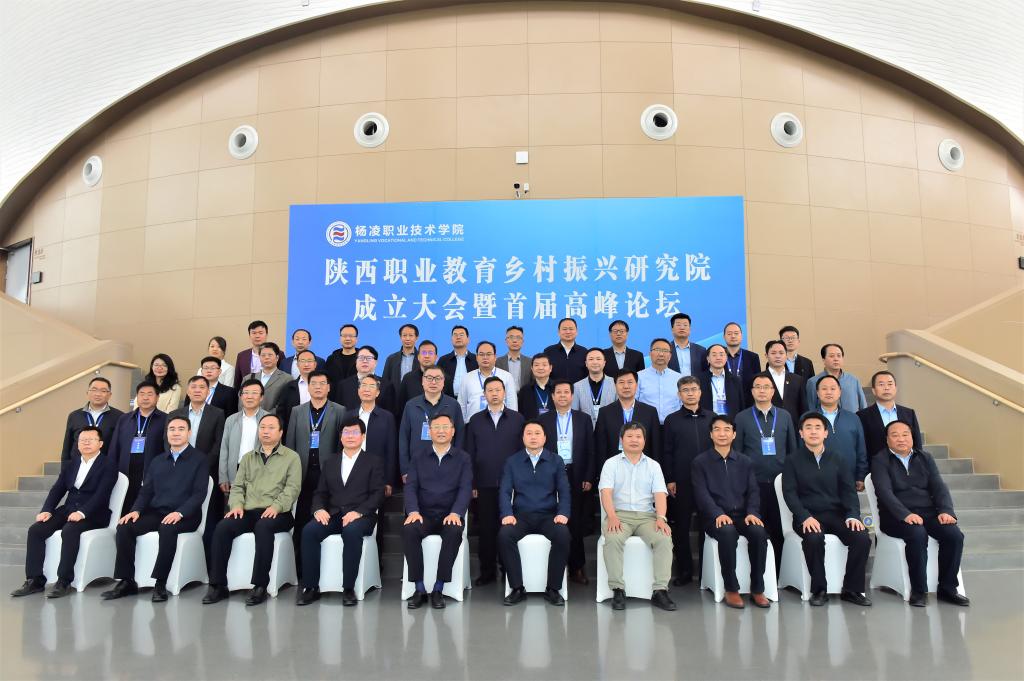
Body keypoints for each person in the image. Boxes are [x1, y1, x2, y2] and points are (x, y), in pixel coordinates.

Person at [102, 416, 209, 602]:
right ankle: (126, 581)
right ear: (167, 433)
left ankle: (160, 583)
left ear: (189, 433)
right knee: (125, 527)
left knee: (167, 528)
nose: (176, 433)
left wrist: (180, 513)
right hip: (158, 512)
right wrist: (135, 510)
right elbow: (146, 491)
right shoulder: (158, 460)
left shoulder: (199, 459)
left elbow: (199, 494)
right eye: (172, 429)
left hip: (186, 515)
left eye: (181, 429)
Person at [203, 414, 301, 606]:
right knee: (223, 527)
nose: (265, 431)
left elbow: (293, 488)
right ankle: (218, 584)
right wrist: (236, 505)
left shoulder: (291, 457)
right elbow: (238, 486)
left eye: (271, 428)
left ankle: (259, 585)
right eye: (262, 427)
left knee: (263, 527)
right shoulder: (248, 457)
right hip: (248, 511)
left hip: (279, 513)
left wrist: (276, 506)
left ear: (281, 432)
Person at [870, 420, 969, 607]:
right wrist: (905, 514)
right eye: (895, 435)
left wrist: (946, 511)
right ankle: (919, 590)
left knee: (954, 535)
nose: (901, 439)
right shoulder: (880, 460)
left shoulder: (925, 458)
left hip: (927, 513)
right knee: (917, 533)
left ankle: (947, 589)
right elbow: (884, 492)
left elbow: (939, 486)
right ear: (887, 439)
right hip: (895, 517)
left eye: (905, 434)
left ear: (912, 436)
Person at [12, 426, 116, 599]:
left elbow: (102, 495)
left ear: (100, 443)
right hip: (68, 509)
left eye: (91, 439)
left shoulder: (108, 465)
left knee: (69, 530)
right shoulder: (72, 463)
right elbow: (58, 489)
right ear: (78, 444)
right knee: (36, 530)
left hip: (94, 513)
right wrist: (47, 510)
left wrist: (82, 513)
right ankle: (35, 580)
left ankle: (64, 581)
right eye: (82, 440)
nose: (86, 443)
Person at [782, 413, 871, 607]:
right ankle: (819, 590)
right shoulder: (792, 460)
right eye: (808, 427)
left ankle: (852, 589)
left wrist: (853, 515)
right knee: (814, 538)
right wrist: (804, 516)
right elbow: (789, 494)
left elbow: (849, 492)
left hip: (836, 515)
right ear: (801, 433)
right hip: (808, 516)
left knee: (862, 537)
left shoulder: (838, 458)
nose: (813, 431)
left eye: (818, 427)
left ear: (825, 433)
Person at [297, 418, 385, 606]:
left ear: (363, 436)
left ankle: (348, 588)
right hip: (334, 514)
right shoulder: (331, 461)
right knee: (309, 531)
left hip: (362, 516)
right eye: (346, 432)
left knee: (351, 531)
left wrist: (359, 512)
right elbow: (320, 492)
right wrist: (318, 509)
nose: (350, 436)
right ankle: (310, 587)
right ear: (340, 436)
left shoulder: (373, 461)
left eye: (355, 432)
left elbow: (378, 494)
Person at [692, 415, 771, 609]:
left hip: (743, 515)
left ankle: (757, 588)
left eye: (727, 429)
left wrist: (752, 512)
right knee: (727, 533)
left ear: (734, 434)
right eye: (717, 429)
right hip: (715, 517)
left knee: (759, 533)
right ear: (711, 434)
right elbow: (701, 494)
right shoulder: (700, 462)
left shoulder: (745, 461)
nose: (722, 433)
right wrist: (717, 513)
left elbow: (753, 491)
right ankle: (731, 588)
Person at [598, 422, 676, 611]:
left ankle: (660, 590)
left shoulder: (653, 466)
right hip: (619, 515)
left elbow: (660, 494)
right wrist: (612, 516)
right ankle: (618, 589)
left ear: (644, 440)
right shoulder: (611, 464)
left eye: (638, 436)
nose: (634, 440)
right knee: (613, 538)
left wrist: (661, 518)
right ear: (621, 440)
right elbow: (605, 492)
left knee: (664, 538)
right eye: (630, 436)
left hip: (647, 517)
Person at [403, 413, 473, 610]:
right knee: (409, 530)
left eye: (445, 427)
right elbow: (410, 487)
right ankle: (418, 588)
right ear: (430, 431)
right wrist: (413, 511)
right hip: (423, 515)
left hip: (449, 515)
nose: (441, 431)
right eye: (436, 427)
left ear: (453, 431)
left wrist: (456, 513)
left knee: (454, 531)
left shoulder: (463, 458)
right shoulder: (418, 457)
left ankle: (438, 588)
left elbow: (465, 488)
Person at [498, 421, 572, 606]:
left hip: (548, 516)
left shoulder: (556, 460)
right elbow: (505, 491)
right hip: (521, 517)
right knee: (505, 535)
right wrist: (507, 513)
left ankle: (553, 589)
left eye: (537, 433)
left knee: (563, 534)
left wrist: (563, 513)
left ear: (545, 438)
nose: (533, 437)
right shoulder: (512, 461)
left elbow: (564, 491)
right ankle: (517, 588)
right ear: (523, 438)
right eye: (529, 433)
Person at [464, 376, 525, 586]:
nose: (494, 393)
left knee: (508, 529)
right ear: (484, 394)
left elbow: (522, 453)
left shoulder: (517, 419)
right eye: (490, 390)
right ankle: (487, 572)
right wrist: (472, 483)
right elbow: (469, 453)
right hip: (484, 483)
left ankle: (508, 571)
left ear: (505, 392)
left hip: (512, 485)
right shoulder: (475, 420)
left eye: (498, 390)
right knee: (486, 530)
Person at [284, 370, 345, 571]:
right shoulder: (297, 411)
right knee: (302, 518)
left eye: (322, 383)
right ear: (308, 387)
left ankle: (323, 566)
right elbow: (290, 444)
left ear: (329, 387)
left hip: (327, 475)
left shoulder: (339, 410)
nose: (318, 387)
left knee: (324, 517)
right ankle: (299, 566)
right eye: (314, 383)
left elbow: (341, 446)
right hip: (302, 473)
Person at [733, 373, 798, 562]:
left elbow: (792, 450)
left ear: (773, 391)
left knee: (779, 529)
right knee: (757, 529)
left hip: (780, 484)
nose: (762, 390)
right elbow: (737, 452)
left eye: (766, 387)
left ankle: (779, 570)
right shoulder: (742, 417)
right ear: (752, 391)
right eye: (758, 387)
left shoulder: (785, 416)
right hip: (753, 484)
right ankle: (760, 570)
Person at [539, 380, 595, 584]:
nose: (562, 396)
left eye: (566, 392)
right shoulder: (543, 420)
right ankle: (554, 567)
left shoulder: (583, 418)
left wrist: (589, 476)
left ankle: (577, 567)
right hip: (551, 475)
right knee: (555, 520)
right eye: (558, 392)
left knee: (575, 523)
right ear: (552, 396)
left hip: (576, 474)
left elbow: (590, 449)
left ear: (572, 396)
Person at [661, 375, 714, 585]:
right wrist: (670, 479)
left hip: (708, 482)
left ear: (700, 392)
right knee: (681, 528)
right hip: (681, 481)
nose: (690, 393)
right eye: (685, 390)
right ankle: (685, 571)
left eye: (693, 389)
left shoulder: (712, 418)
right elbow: (667, 452)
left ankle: (706, 572)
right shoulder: (671, 420)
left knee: (706, 526)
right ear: (679, 394)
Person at [168, 376, 226, 561]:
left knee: (208, 514)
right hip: (177, 471)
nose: (197, 390)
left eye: (202, 387)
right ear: (187, 391)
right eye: (193, 387)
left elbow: (218, 443)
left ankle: (205, 559)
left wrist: (202, 465)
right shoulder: (175, 414)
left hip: (206, 469)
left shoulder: (217, 414)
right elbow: (166, 441)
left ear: (208, 392)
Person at [398, 366, 465, 482]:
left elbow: (460, 437)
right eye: (429, 378)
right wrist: (405, 469)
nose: (433, 382)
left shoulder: (453, 405)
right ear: (422, 381)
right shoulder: (411, 405)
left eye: (438, 378)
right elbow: (404, 438)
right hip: (417, 468)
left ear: (443, 382)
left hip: (447, 467)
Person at [108, 381, 167, 512]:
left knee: (144, 510)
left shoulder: (165, 419)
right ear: (137, 397)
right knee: (123, 508)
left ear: (157, 397)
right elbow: (114, 447)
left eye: (150, 394)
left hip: (150, 474)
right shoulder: (124, 419)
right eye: (141, 394)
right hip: (126, 472)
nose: (145, 397)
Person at [810, 375, 869, 490]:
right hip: (817, 482)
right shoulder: (808, 419)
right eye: (824, 388)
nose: (829, 392)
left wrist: (861, 476)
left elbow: (861, 449)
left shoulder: (853, 418)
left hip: (849, 480)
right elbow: (801, 451)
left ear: (840, 392)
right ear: (817, 393)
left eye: (833, 388)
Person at [594, 371, 661, 467]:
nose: (626, 386)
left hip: (643, 467)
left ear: (636, 385)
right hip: (614, 468)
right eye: (621, 382)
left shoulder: (650, 412)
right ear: (615, 386)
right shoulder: (605, 412)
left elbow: (656, 446)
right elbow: (600, 447)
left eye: (630, 382)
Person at [857, 371, 923, 457]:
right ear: (873, 390)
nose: (886, 388)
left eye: (890, 384)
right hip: (875, 463)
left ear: (895, 388)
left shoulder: (909, 413)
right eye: (881, 384)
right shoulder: (862, 416)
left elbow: (917, 442)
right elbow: (861, 447)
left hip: (906, 463)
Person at [219, 380, 268, 493]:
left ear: (261, 397)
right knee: (235, 502)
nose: (249, 396)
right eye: (246, 393)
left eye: (254, 393)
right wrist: (223, 477)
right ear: (241, 396)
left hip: (260, 471)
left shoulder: (269, 419)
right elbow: (224, 449)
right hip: (235, 469)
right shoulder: (231, 420)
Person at [59, 377, 123, 461]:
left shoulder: (120, 416)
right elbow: (67, 446)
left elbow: (121, 446)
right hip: (77, 465)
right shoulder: (74, 416)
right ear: (87, 393)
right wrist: (65, 466)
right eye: (94, 390)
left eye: (103, 391)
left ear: (110, 395)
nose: (98, 394)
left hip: (106, 465)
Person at [354, 375, 398, 496]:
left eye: (371, 386)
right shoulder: (349, 416)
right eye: (363, 385)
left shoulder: (387, 417)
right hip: (352, 474)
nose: (367, 389)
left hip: (377, 476)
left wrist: (389, 480)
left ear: (378, 393)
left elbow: (391, 451)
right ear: (358, 391)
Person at [457, 341, 517, 420]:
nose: (485, 357)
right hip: (473, 424)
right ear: (476, 357)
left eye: (489, 354)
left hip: (501, 423)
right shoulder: (467, 378)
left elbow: (512, 405)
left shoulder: (507, 377)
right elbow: (461, 406)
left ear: (495, 357)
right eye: (481, 354)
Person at [806, 343, 867, 413]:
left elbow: (863, 406)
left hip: (851, 419)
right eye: (831, 356)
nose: (836, 359)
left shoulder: (853, 380)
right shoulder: (813, 382)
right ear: (823, 360)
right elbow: (811, 407)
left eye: (839, 356)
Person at [636, 338, 683, 424]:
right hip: (646, 425)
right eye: (657, 350)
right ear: (650, 354)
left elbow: (682, 403)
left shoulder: (679, 378)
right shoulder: (639, 376)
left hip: (673, 424)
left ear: (670, 356)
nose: (661, 354)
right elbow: (634, 403)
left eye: (665, 351)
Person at [335, 345, 392, 412]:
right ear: (356, 361)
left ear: (376, 362)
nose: (365, 361)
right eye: (361, 358)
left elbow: (390, 414)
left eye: (369, 358)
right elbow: (338, 413)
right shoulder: (343, 385)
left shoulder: (386, 386)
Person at [763, 340, 807, 423]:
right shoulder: (759, 379)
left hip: (793, 425)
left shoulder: (797, 379)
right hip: (767, 424)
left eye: (781, 353)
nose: (777, 356)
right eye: (773, 353)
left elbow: (803, 407)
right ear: (766, 355)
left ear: (786, 355)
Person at [572, 348, 616, 427]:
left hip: (609, 429)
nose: (595, 362)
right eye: (591, 359)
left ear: (604, 363)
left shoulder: (614, 384)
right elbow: (574, 413)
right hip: (585, 430)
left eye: (598, 359)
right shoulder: (577, 386)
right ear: (586, 363)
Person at [275, 349, 318, 432]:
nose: (306, 364)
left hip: (319, 429)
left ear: (315, 364)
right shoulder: (289, 387)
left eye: (309, 361)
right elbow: (281, 412)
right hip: (294, 430)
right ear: (297, 365)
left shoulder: (325, 386)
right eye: (302, 361)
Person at [243, 342, 290, 412]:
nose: (266, 357)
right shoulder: (248, 378)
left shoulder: (287, 379)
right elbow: (242, 402)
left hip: (273, 418)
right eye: (263, 355)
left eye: (270, 355)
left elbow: (285, 404)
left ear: (277, 358)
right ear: (259, 357)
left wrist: (266, 416)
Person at [699, 344, 744, 416]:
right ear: (708, 358)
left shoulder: (735, 380)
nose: (718, 358)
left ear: (726, 358)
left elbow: (741, 405)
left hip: (730, 421)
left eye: (721, 355)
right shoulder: (699, 380)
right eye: (714, 355)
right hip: (707, 420)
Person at [723, 322, 760, 407]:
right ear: (724, 337)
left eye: (736, 333)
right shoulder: (718, 356)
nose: (733, 336)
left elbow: (757, 381)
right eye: (729, 333)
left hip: (747, 402)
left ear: (741, 336)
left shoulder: (753, 357)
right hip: (724, 401)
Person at [542, 318, 589, 385]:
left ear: (576, 331)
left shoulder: (584, 352)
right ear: (558, 332)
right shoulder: (548, 351)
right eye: (564, 329)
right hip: (555, 390)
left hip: (579, 391)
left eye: (571, 329)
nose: (568, 332)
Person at [437, 325, 478, 398]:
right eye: (455, 335)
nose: (458, 337)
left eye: (461, 335)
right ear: (451, 339)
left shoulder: (476, 359)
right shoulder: (443, 360)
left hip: (472, 399)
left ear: (468, 339)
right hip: (448, 399)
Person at [396, 340, 439, 407]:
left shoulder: (444, 379)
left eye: (430, 353)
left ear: (436, 357)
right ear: (418, 357)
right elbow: (401, 406)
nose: (427, 356)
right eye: (424, 353)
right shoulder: (408, 378)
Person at [667, 312, 707, 378]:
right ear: (672, 329)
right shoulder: (665, 349)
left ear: (690, 329)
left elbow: (705, 373)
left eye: (685, 325)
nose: (682, 328)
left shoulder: (701, 350)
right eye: (678, 325)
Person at [381, 323, 420, 390]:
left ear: (416, 338)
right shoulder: (391, 359)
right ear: (400, 337)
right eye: (404, 335)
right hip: (396, 395)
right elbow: (385, 381)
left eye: (411, 335)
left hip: (417, 395)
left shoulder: (422, 358)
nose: (407, 338)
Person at [516, 354, 554, 419]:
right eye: (536, 365)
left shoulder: (557, 387)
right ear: (532, 368)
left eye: (544, 365)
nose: (540, 368)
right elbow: (520, 413)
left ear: (550, 368)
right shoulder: (524, 390)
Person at [495, 325, 531, 393]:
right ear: (506, 341)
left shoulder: (530, 362)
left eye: (518, 337)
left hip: (524, 397)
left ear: (522, 341)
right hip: (504, 397)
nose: (514, 340)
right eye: (511, 337)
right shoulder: (497, 362)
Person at [234, 320, 269, 387]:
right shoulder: (242, 356)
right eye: (254, 333)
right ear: (249, 335)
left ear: (266, 334)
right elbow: (237, 381)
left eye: (260, 333)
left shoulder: (278, 354)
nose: (257, 336)